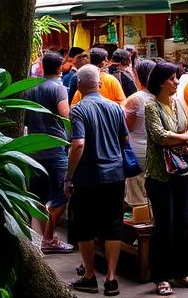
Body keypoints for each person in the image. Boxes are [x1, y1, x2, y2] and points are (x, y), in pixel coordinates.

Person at [65, 64, 130, 296]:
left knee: (85, 226)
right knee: (113, 224)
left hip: (88, 176)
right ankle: (111, 279)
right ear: (100, 84)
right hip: (115, 174)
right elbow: (125, 139)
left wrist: (69, 176)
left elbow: (78, 144)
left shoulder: (78, 109)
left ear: (79, 86)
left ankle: (90, 276)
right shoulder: (115, 108)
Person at [144, 61, 188, 296]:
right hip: (160, 175)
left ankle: (182, 272)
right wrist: (185, 138)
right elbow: (160, 137)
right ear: (160, 82)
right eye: (172, 78)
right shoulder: (152, 107)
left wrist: (185, 139)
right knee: (164, 227)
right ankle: (161, 277)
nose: (176, 82)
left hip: (182, 172)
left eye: (176, 77)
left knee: (182, 225)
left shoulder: (179, 103)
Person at [23, 51, 74, 254]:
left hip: (34, 147)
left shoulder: (31, 88)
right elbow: (65, 114)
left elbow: (24, 117)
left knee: (39, 196)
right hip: (54, 147)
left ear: (43, 66)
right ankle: (49, 237)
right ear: (60, 67)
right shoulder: (59, 88)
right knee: (63, 195)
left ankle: (47, 238)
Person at [124, 58, 156, 207]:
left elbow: (126, 128)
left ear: (137, 75)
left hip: (137, 152)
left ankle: (143, 226)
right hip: (157, 150)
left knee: (138, 197)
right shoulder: (163, 97)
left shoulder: (135, 100)